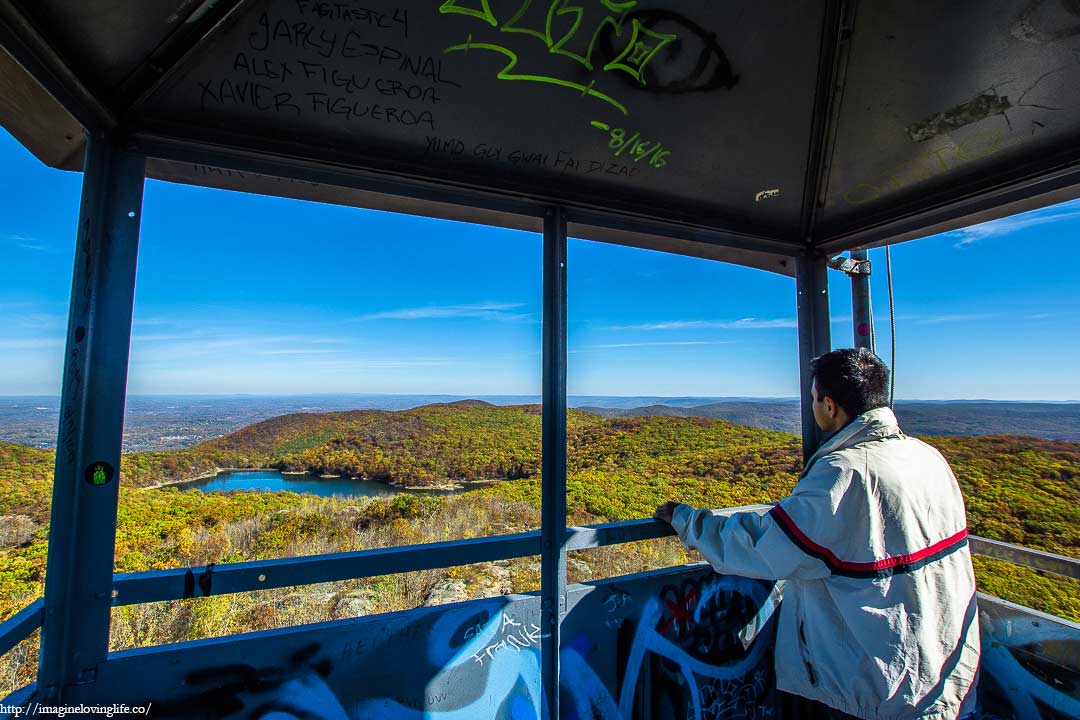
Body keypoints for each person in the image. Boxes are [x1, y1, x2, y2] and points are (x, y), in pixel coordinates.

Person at [654, 348, 980, 720]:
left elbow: (763, 547)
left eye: (812, 399)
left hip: (873, 688)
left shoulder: (845, 474)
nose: (811, 407)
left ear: (829, 405)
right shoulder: (929, 458)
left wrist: (689, 521)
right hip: (943, 672)